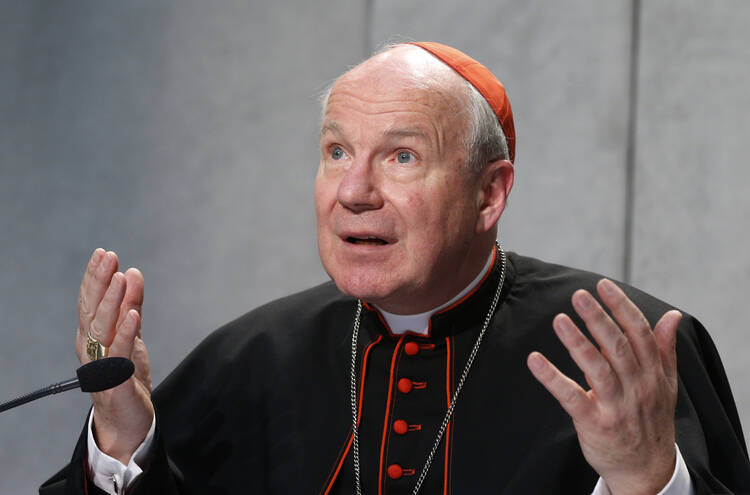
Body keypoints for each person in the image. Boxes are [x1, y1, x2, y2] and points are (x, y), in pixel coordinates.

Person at [41, 42, 750, 494]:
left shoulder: (623, 354)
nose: (354, 191)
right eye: (337, 152)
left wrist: (645, 480)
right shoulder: (248, 358)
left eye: (401, 156)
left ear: (489, 191)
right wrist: (125, 439)